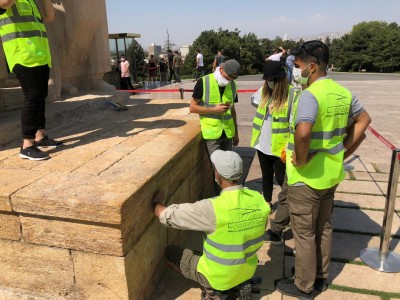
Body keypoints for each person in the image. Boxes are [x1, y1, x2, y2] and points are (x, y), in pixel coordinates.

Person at [275, 40, 371, 299]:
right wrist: (343, 152)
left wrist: (303, 160)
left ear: (312, 67)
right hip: (330, 174)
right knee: (324, 227)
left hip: (306, 177)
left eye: (297, 66)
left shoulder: (310, 95)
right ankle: (320, 277)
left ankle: (303, 285)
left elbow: (303, 132)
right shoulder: (343, 92)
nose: (295, 70)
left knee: (304, 233)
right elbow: (364, 120)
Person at [153, 150, 271, 299]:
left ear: (218, 175)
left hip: (218, 277)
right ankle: (238, 284)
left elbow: (168, 215)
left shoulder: (212, 207)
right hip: (247, 269)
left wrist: (156, 204)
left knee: (170, 253)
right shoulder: (258, 199)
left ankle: (214, 292)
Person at [0, 0, 63, 161]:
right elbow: (5, 3)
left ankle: (40, 136)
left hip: (40, 55)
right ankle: (27, 145)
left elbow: (49, 17)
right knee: (33, 96)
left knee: (41, 95)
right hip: (22, 54)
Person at [250, 61, 299, 208]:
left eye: (271, 80)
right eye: (267, 80)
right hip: (262, 143)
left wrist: (291, 146)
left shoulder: (292, 95)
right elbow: (253, 100)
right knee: (266, 175)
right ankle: (267, 201)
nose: (268, 82)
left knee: (280, 177)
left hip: (280, 147)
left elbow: (295, 124)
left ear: (279, 80)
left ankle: (286, 204)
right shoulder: (264, 92)